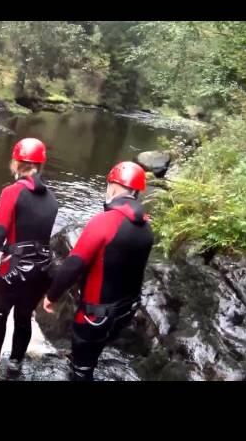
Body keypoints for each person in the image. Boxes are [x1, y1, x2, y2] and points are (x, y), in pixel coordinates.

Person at [43, 161, 154, 381]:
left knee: (82, 369)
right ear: (137, 192)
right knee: (92, 352)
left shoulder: (104, 222)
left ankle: (82, 368)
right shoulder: (146, 226)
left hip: (95, 316)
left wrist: (51, 296)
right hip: (125, 310)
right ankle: (85, 362)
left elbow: (73, 265)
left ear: (112, 186)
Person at [0, 138, 58, 373]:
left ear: (17, 162)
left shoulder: (11, 192)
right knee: (24, 317)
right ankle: (15, 363)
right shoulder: (53, 199)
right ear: (40, 165)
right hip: (42, 269)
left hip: (13, 267)